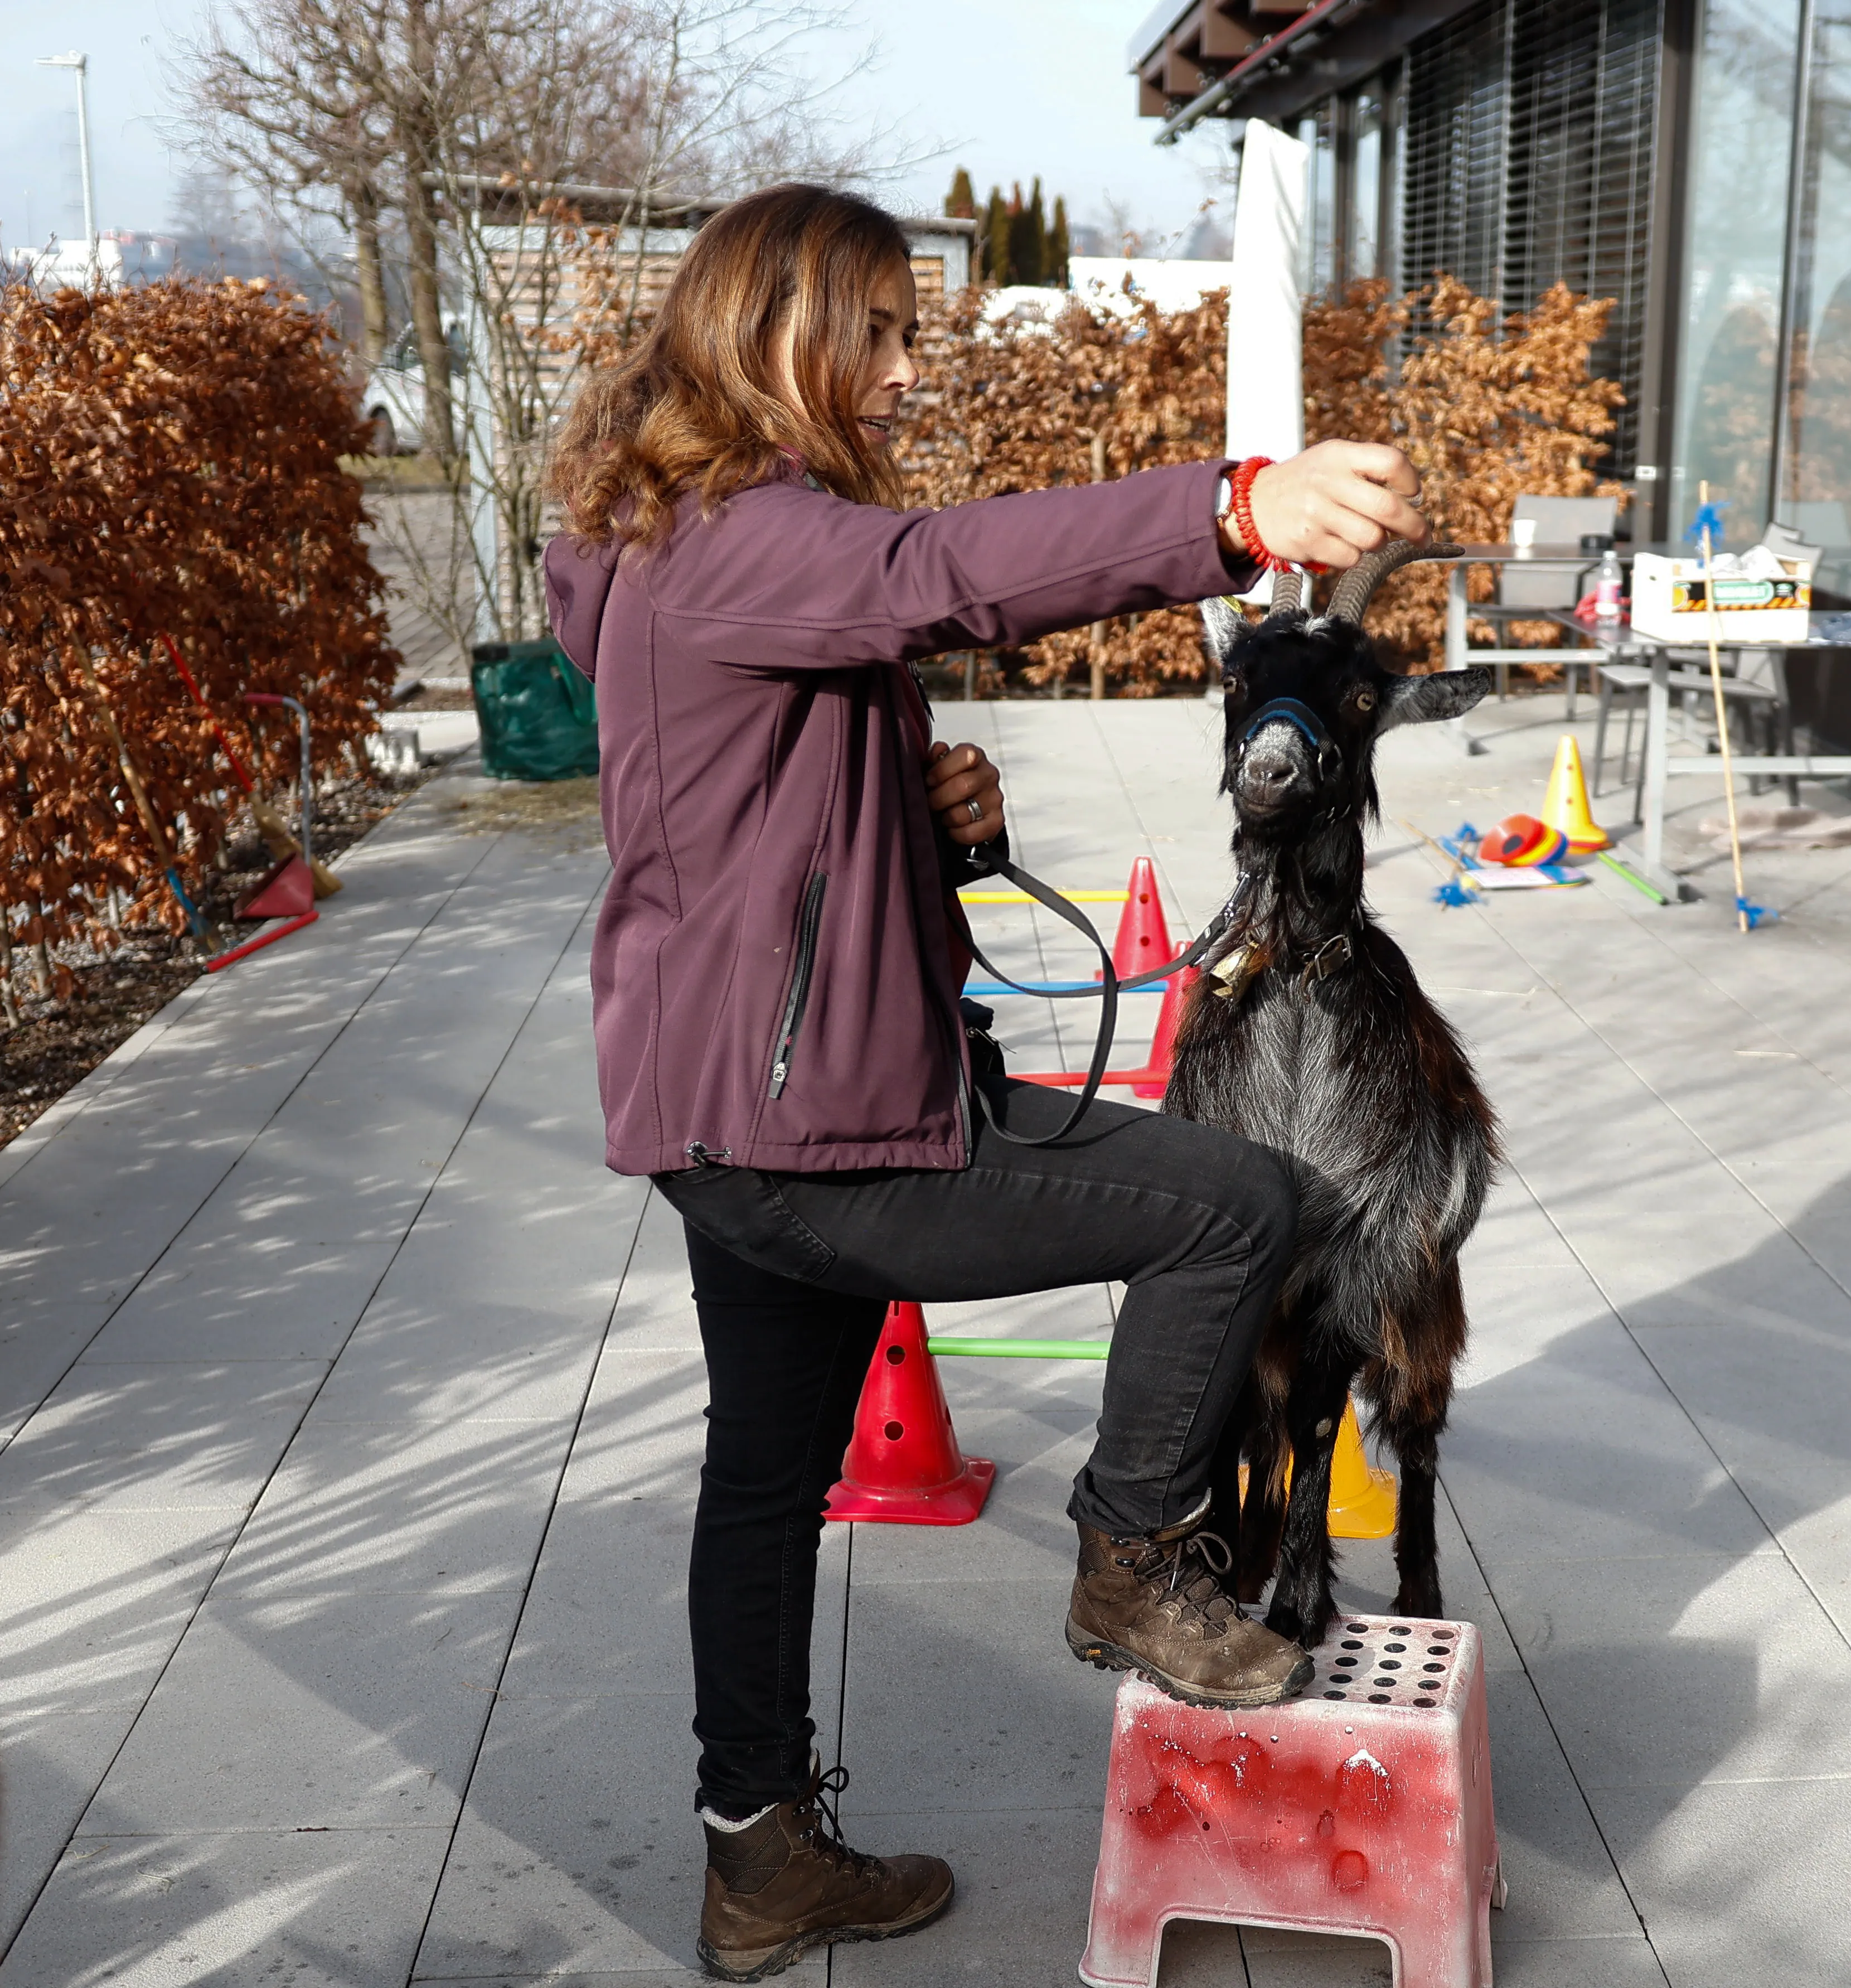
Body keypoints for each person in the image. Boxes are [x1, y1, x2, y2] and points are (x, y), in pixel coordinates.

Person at [542, 183, 1430, 1981]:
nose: (900, 365)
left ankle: (758, 1858)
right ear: (783, 327)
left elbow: (748, 802)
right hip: (817, 1123)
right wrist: (1228, 505)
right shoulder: (741, 527)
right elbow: (940, 572)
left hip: (728, 1105)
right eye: (878, 328)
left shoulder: (650, 533)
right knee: (1239, 1200)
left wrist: (936, 818)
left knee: (764, 1478)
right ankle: (1132, 1551)